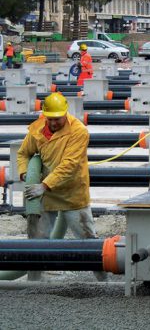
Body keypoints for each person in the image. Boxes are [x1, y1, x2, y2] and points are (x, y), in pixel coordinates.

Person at [17, 92, 107, 280]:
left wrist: (44, 185)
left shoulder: (78, 131)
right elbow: (24, 153)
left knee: (88, 240)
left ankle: (103, 282)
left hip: (71, 193)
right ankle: (33, 283)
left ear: (65, 114)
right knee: (36, 240)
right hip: (45, 194)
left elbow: (69, 165)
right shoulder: (38, 130)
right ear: (45, 116)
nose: (54, 123)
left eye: (58, 119)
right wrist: (26, 173)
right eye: (50, 119)